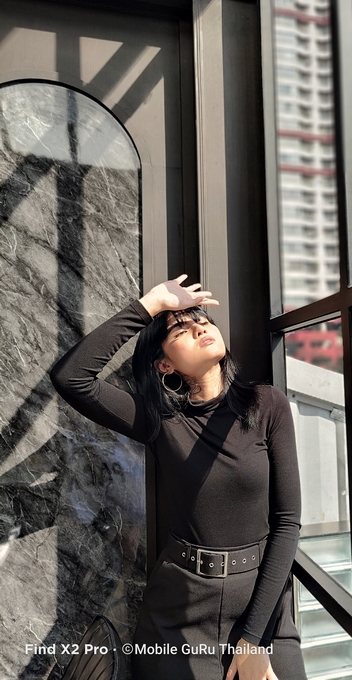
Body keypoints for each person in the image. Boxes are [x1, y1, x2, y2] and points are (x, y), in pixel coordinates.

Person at [50, 275, 308, 680]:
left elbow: (288, 522)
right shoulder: (161, 421)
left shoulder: (266, 405)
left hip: (259, 605)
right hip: (179, 612)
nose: (200, 327)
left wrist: (253, 639)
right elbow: (72, 378)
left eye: (202, 320)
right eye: (181, 330)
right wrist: (151, 304)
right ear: (164, 364)